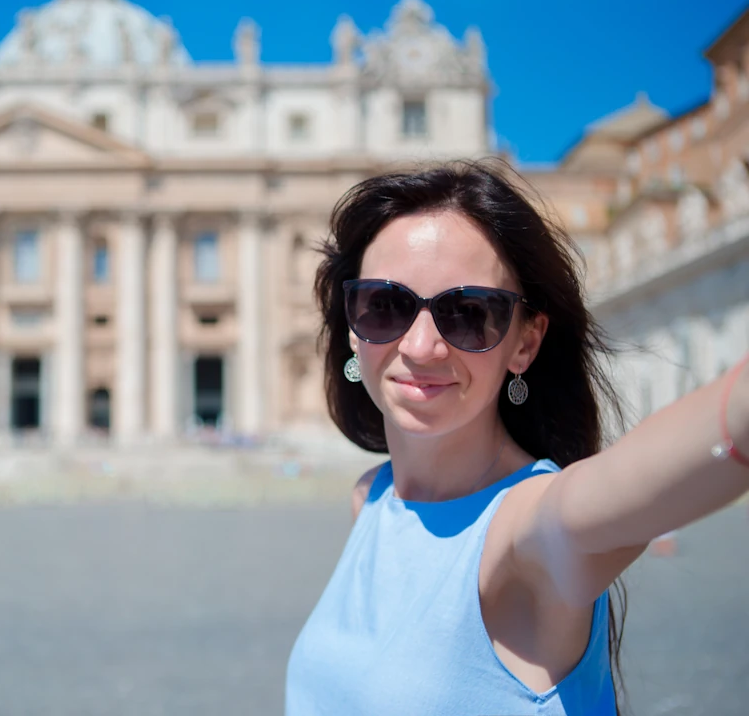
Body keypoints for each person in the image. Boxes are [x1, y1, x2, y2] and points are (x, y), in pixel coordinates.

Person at [285, 161, 749, 716]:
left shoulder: (531, 528)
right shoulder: (372, 498)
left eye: (468, 314)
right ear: (353, 328)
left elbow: (630, 479)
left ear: (525, 344)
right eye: (386, 305)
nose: (421, 347)